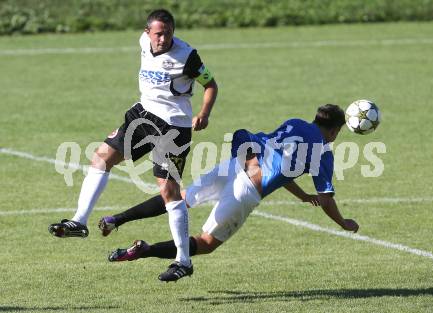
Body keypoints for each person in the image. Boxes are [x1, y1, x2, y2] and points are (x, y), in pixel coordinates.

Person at [48, 9, 218, 278]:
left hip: (173, 126)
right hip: (143, 115)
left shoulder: (187, 56)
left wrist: (204, 113)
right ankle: (79, 221)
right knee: (101, 157)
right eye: (159, 33)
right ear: (147, 32)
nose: (163, 38)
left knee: (168, 191)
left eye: (168, 33)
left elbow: (211, 84)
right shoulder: (142, 43)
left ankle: (183, 261)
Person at [104, 104, 359, 282]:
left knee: (179, 197)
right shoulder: (323, 152)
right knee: (205, 243)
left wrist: (301, 195)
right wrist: (343, 222)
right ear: (335, 131)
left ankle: (119, 219)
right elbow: (326, 199)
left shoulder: (295, 123)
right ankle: (145, 250)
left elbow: (282, 165)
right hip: (246, 191)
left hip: (235, 165)